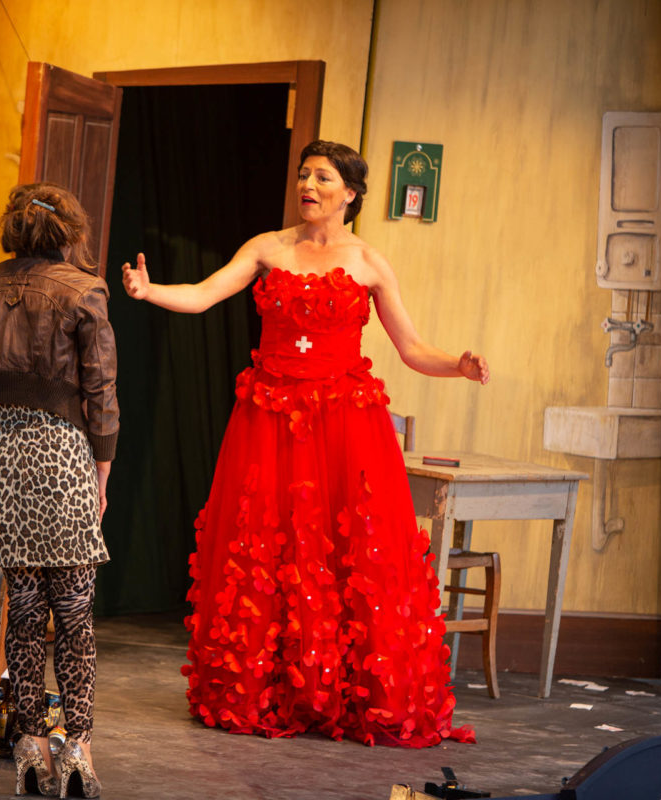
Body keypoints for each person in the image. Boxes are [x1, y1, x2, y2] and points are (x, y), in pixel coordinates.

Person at [121, 140, 487, 747]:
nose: (308, 186)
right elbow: (206, 293)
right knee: (269, 545)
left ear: (350, 193)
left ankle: (345, 692)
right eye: (303, 175)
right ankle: (269, 689)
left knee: (348, 551)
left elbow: (411, 348)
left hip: (344, 423)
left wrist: (458, 365)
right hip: (270, 418)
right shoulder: (268, 247)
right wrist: (149, 290)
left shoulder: (368, 261)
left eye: (322, 178)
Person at [0, 182, 118, 798]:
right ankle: (77, 749)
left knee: (22, 612)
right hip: (62, 450)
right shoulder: (83, 290)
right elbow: (101, 391)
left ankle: (28, 747)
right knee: (73, 612)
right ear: (69, 231)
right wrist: (102, 469)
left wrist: (1, 427)